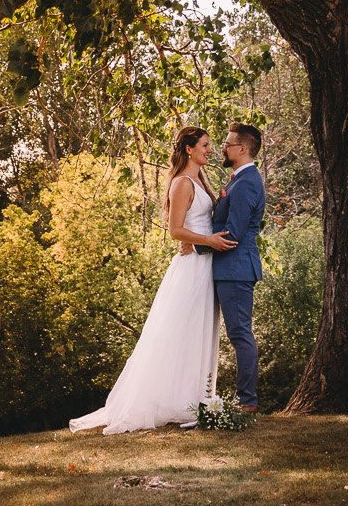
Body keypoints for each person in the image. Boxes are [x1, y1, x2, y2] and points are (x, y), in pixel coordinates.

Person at [68, 126, 236, 434]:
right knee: (182, 331)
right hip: (191, 266)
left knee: (201, 330)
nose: (209, 150)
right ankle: (177, 401)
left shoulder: (201, 179)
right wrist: (208, 241)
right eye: (204, 145)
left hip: (205, 264)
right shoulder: (182, 183)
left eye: (210, 145)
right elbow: (175, 231)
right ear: (188, 149)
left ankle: (199, 397)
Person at [210, 123, 266, 415]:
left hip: (236, 268)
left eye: (228, 144)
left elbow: (232, 234)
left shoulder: (246, 183)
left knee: (240, 334)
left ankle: (247, 401)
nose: (223, 148)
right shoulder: (237, 180)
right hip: (226, 268)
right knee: (235, 333)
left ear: (242, 149)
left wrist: (196, 245)